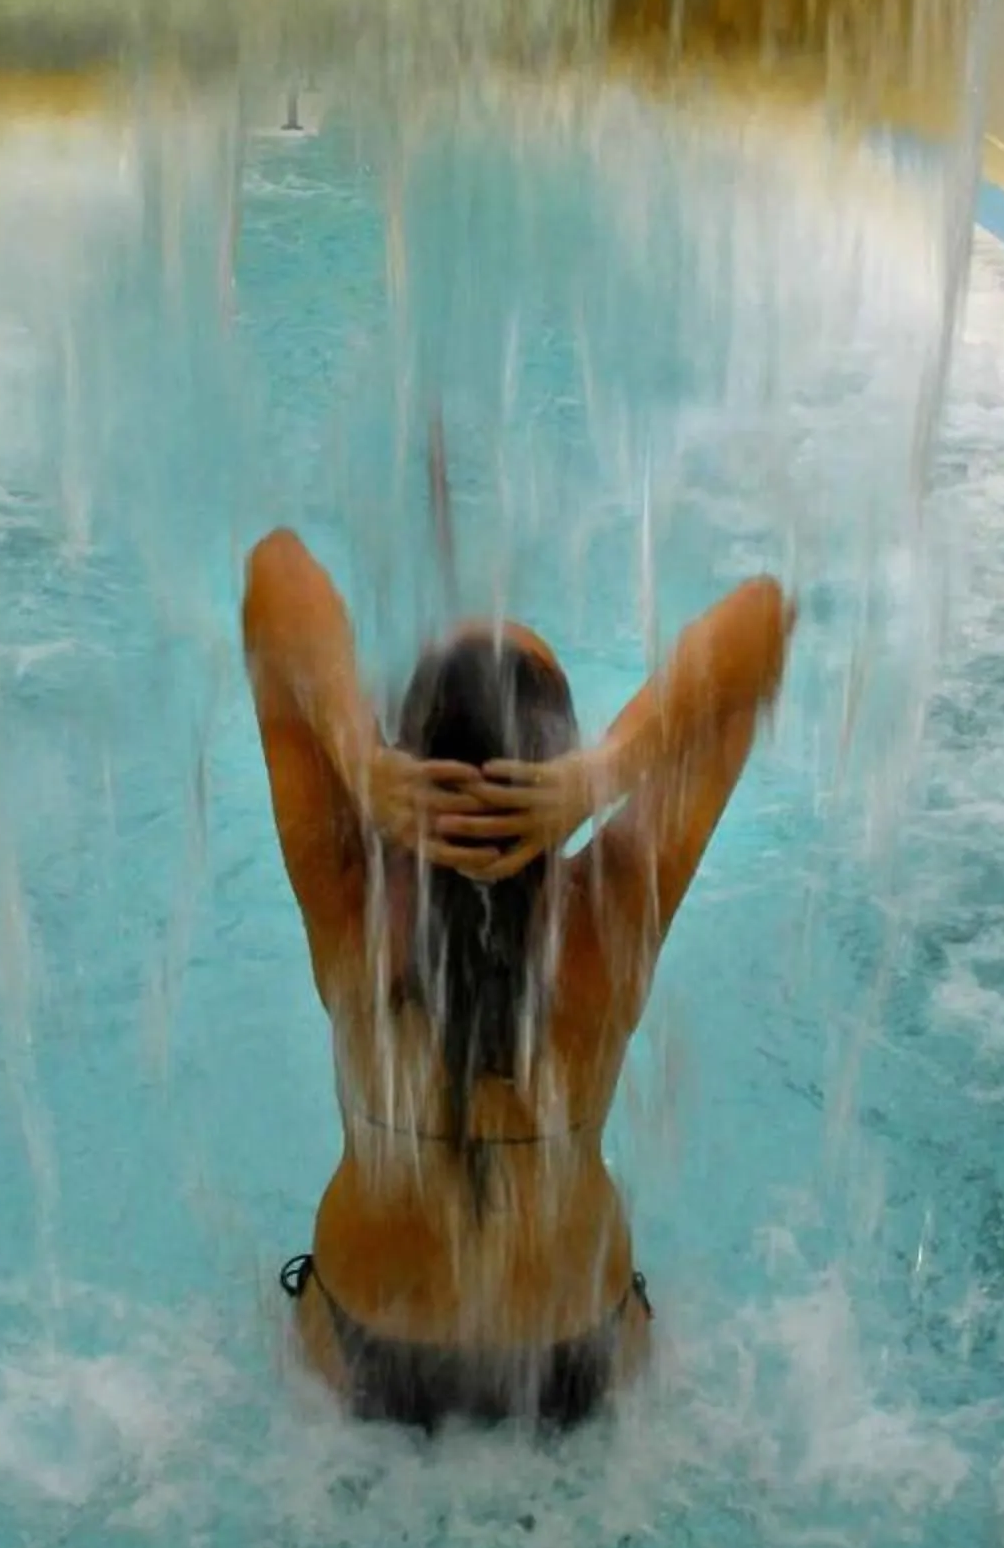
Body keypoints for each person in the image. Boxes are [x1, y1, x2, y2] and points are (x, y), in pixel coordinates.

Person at [242, 527, 794, 1433]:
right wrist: (611, 771)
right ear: (556, 762)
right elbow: (762, 619)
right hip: (574, 1336)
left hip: (367, 1329)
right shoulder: (612, 913)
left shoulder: (350, 902)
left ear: (408, 754)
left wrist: (353, 754)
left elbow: (274, 574)